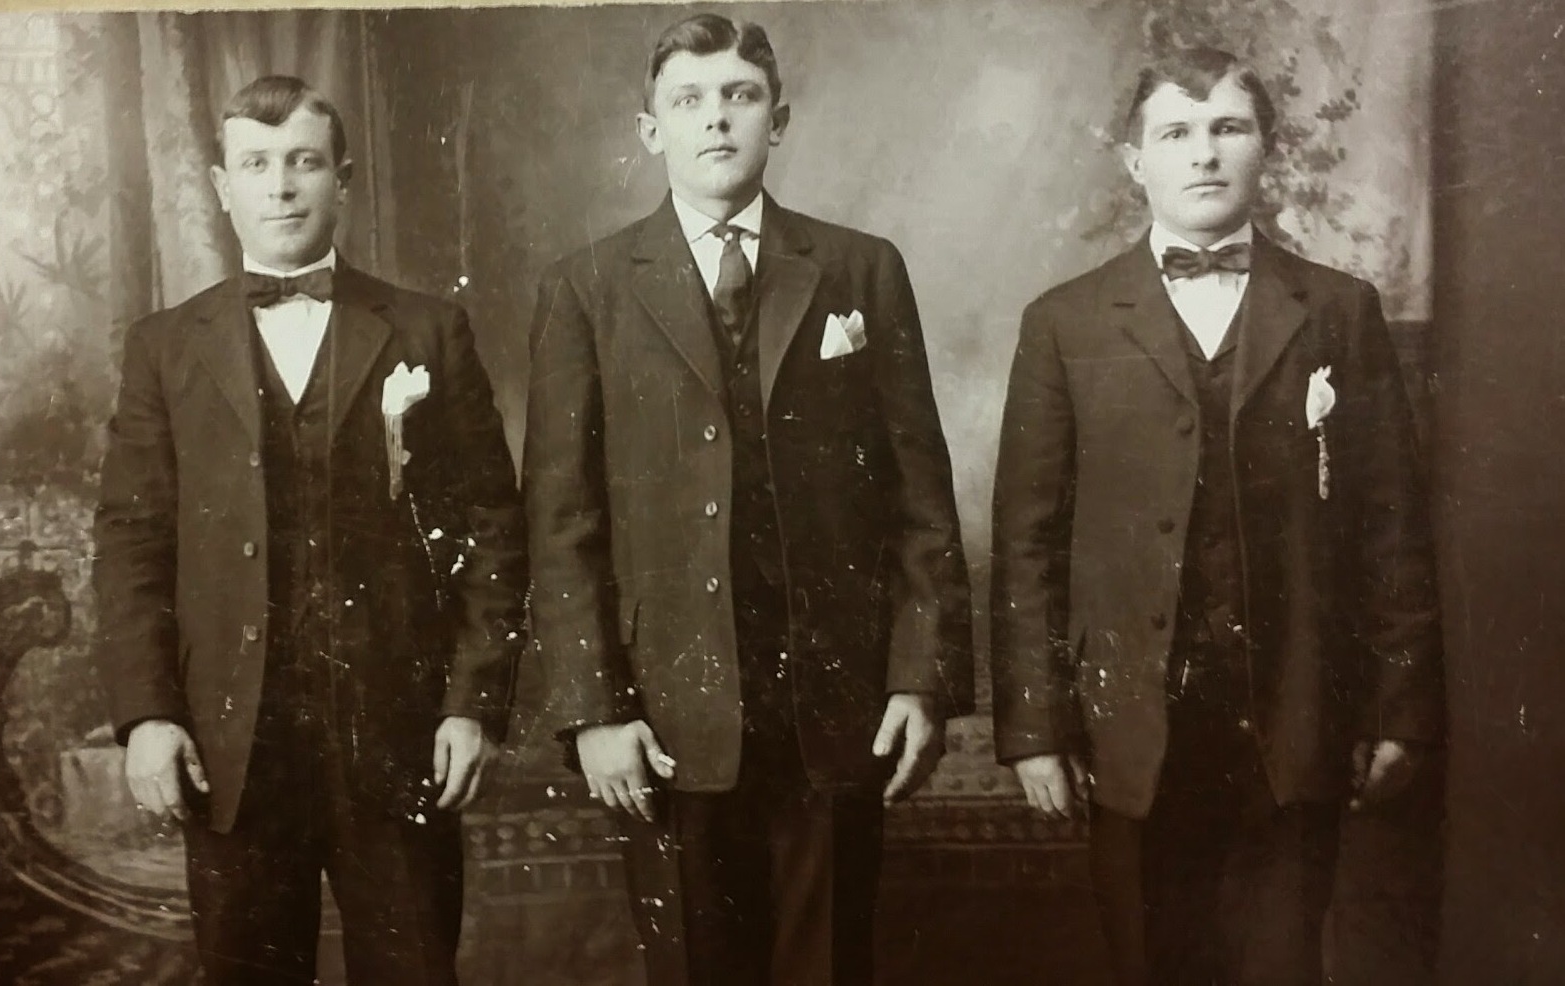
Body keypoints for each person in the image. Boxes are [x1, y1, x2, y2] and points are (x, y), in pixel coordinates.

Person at [522, 13, 973, 985]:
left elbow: (919, 500)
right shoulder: (586, 288)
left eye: (740, 95)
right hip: (666, 711)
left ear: (779, 118)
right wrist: (592, 709)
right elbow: (560, 523)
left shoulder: (860, 268)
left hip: (833, 702)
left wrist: (917, 679)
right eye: (688, 100)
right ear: (650, 130)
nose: (716, 119)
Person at [990, 47, 1444, 986]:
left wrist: (1399, 708)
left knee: (1283, 960)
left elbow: (1391, 525)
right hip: (1129, 728)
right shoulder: (1066, 322)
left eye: (1228, 128)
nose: (1203, 153)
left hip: (1293, 718)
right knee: (1148, 960)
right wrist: (1035, 728)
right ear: (1134, 161)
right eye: (1176, 133)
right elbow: (1027, 542)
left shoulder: (1338, 309)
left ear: (1265, 147)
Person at [92, 74, 526, 985]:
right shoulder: (164, 347)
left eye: (303, 162)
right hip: (231, 745)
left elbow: (490, 528)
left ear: (343, 179)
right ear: (222, 186)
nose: (281, 186)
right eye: (256, 165)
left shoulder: (428, 330)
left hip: (398, 736)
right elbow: (132, 542)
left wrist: (472, 703)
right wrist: (148, 716)